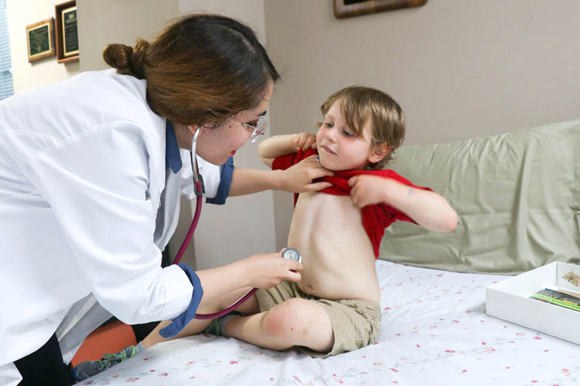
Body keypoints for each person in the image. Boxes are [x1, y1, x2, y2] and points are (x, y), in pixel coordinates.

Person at [0, 14, 335, 386]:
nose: (253, 135)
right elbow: (137, 294)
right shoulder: (114, 135)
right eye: (251, 123)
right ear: (203, 118)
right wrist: (249, 271)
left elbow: (204, 176)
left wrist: (280, 180)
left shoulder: (159, 113)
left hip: (29, 298)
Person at [76, 84, 457, 375]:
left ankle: (228, 326)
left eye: (348, 133)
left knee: (291, 321)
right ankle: (129, 357)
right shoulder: (309, 165)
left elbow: (445, 219)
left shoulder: (376, 187)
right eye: (327, 124)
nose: (328, 136)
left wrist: (394, 190)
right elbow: (265, 152)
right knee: (202, 298)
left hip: (345, 309)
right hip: (289, 284)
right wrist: (295, 141)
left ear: (377, 151)